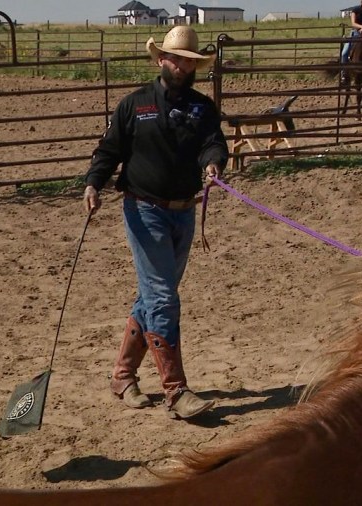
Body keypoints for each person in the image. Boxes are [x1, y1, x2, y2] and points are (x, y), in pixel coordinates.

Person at [82, 25, 228, 420]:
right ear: (161, 59)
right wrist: (94, 182)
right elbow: (110, 148)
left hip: (184, 210)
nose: (182, 66)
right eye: (176, 58)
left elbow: (213, 142)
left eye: (189, 61)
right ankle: (177, 392)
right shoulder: (135, 105)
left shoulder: (202, 108)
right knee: (163, 297)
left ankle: (123, 376)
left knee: (154, 296)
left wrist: (213, 162)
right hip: (144, 209)